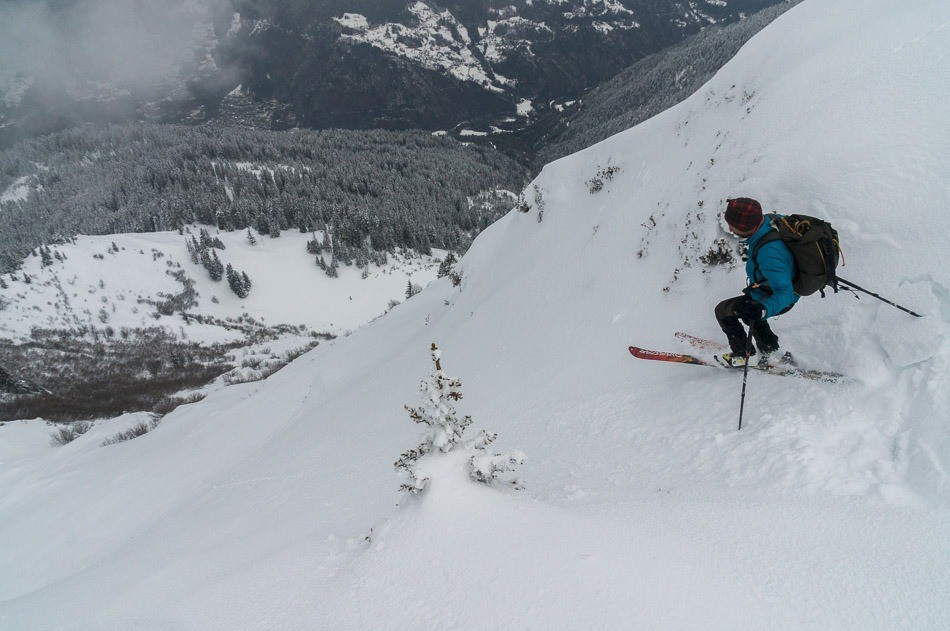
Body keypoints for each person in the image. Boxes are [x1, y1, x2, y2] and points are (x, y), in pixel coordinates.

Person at [716, 197, 798, 366]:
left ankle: (744, 356)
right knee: (748, 312)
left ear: (747, 227)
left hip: (776, 297)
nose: (730, 228)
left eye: (733, 225)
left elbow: (785, 293)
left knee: (724, 311)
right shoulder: (768, 222)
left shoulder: (770, 252)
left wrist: (762, 310)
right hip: (765, 289)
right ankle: (770, 350)